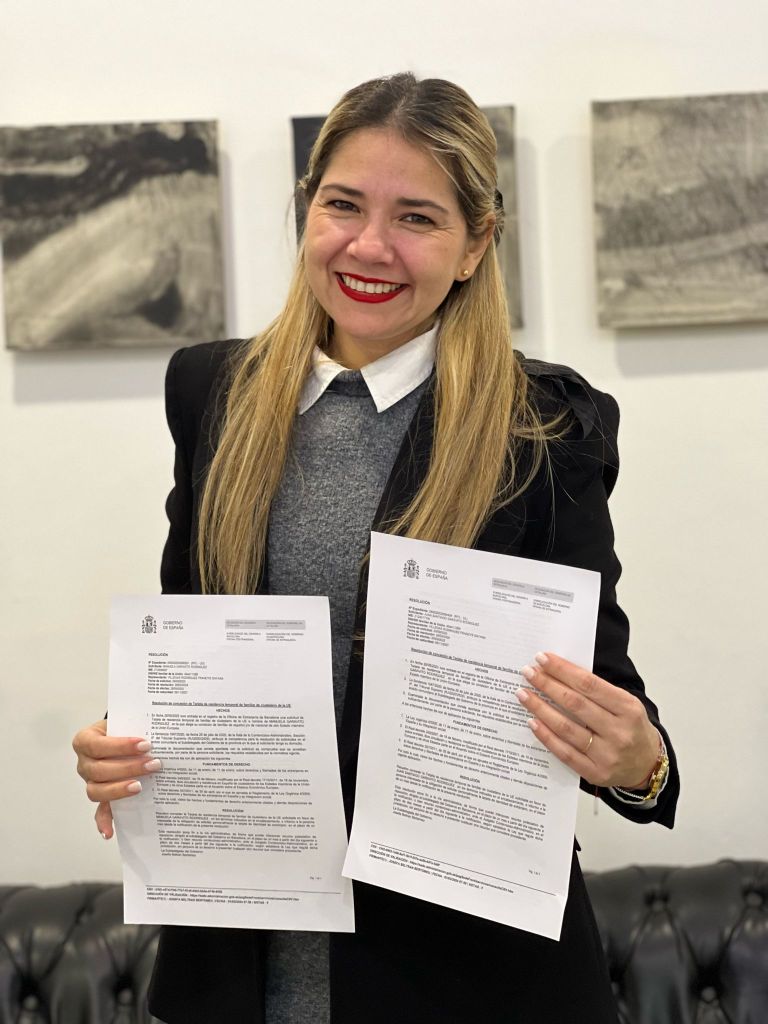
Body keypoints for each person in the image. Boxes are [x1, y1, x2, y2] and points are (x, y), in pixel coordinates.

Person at [73, 72, 679, 1024]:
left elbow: (615, 712)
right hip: (243, 975)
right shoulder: (211, 394)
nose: (369, 246)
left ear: (477, 244)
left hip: (470, 983)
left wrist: (638, 762)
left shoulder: (545, 427)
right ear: (306, 209)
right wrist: (126, 751)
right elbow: (188, 647)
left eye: (418, 218)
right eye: (343, 204)